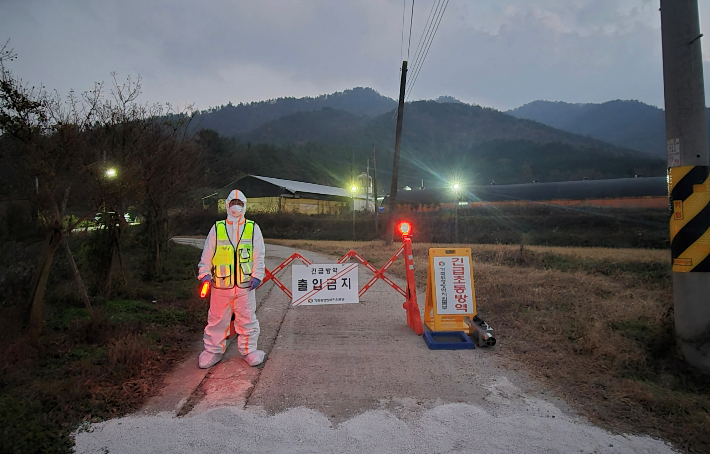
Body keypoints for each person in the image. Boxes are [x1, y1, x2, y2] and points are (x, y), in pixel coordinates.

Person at [197, 189, 266, 369]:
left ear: (245, 205)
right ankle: (212, 351)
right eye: (233, 202)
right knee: (216, 320)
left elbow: (259, 255)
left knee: (247, 320)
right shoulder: (218, 228)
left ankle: (249, 351)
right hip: (220, 285)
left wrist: (257, 276)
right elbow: (208, 253)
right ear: (227, 205)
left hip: (245, 286)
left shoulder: (252, 228)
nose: (236, 206)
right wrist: (204, 273)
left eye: (240, 203)